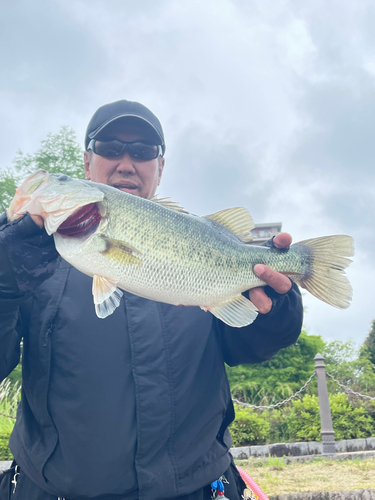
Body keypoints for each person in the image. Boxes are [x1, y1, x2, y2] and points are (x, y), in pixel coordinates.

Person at [0, 100, 303, 500]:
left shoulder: (198, 240)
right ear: (87, 163)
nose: (126, 163)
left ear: (160, 168)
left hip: (196, 488)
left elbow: (252, 344)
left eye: (143, 152)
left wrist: (278, 307)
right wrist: (3, 281)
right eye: (110, 147)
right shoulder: (28, 256)